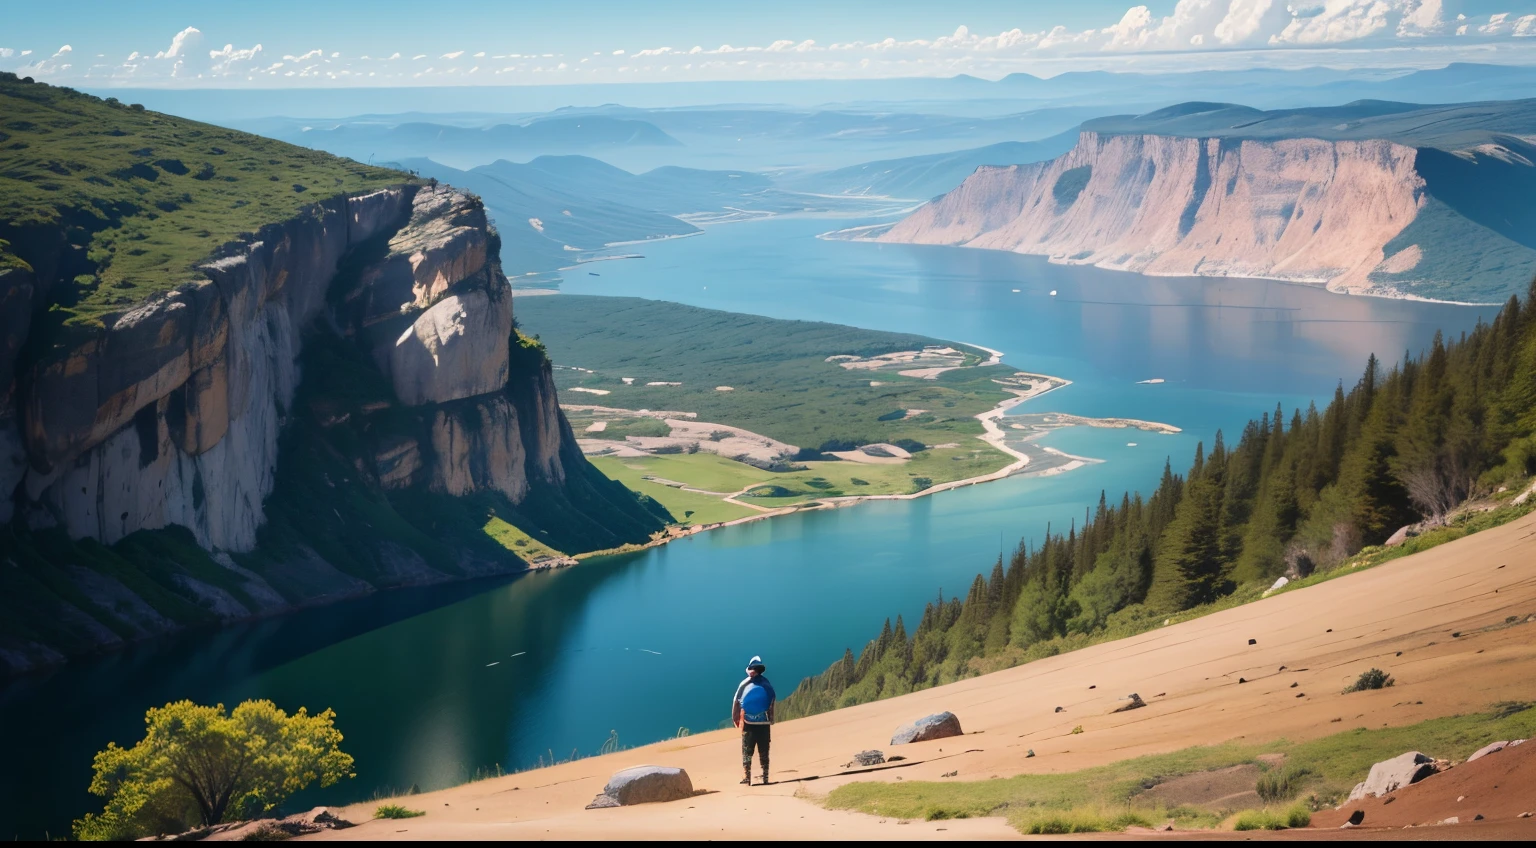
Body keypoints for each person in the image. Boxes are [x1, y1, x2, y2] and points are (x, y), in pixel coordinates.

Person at [732, 655, 776, 785]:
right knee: (764, 750)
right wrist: (771, 718)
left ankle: (747, 777)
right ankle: (765, 776)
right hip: (763, 722)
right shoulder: (766, 683)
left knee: (747, 750)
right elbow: (772, 701)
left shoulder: (744, 684)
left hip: (748, 723)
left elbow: (736, 702)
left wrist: (736, 719)